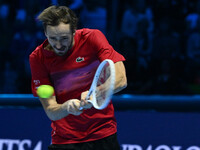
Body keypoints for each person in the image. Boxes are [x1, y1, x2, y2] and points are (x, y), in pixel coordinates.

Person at [29, 5, 127, 150]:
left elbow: (121, 79)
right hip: (65, 140)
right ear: (45, 33)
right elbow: (51, 110)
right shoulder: (37, 58)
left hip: (102, 134)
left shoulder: (92, 38)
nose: (58, 44)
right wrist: (66, 107)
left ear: (74, 31)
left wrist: (95, 93)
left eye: (63, 38)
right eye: (52, 38)